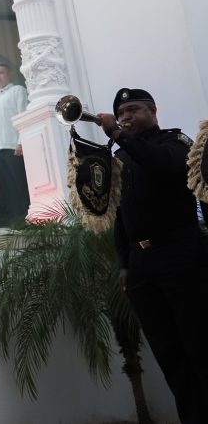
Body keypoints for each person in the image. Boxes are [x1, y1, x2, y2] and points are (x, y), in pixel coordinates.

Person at [96, 88, 208, 423]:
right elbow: (120, 214)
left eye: (133, 110)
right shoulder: (124, 158)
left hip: (181, 256)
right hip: (142, 266)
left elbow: (162, 165)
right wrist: (125, 263)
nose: (126, 117)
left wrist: (116, 134)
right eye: (121, 113)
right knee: (169, 356)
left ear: (153, 110)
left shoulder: (176, 144)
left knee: (200, 349)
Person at [0, 62, 30, 225]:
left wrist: (21, 142)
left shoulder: (18, 91)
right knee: (7, 187)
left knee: (20, 184)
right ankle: (15, 220)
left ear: (9, 74)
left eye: (1, 72)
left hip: (14, 147)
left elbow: (23, 115)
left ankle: (27, 218)